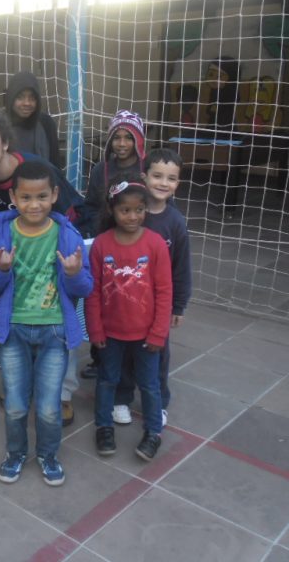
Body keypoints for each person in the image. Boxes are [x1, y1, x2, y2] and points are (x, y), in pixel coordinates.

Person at [0, 104, 91, 425]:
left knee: (61, 326)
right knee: (16, 328)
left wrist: (71, 267)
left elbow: (71, 215)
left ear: (5, 142)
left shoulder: (36, 171)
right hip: (13, 271)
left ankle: (62, 393)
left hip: (57, 267)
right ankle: (19, 385)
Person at [0, 161, 93, 486]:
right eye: (25, 197)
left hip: (55, 331)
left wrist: (73, 274)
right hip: (13, 332)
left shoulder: (67, 234)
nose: (34, 204)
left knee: (49, 407)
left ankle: (48, 455)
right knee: (15, 405)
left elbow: (85, 287)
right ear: (13, 197)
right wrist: (0, 269)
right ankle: (15, 453)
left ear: (54, 195)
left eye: (42, 196)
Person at [85, 176, 172, 462]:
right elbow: (93, 291)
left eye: (139, 209)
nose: (133, 216)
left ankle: (153, 432)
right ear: (112, 210)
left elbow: (164, 291)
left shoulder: (156, 244)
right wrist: (95, 329)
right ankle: (104, 427)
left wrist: (159, 333)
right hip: (110, 334)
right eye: (125, 210)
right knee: (107, 380)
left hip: (147, 336)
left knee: (149, 385)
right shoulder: (101, 245)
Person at [112, 148, 191, 427]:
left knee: (158, 353)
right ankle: (121, 397)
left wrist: (178, 305)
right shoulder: (131, 212)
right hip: (126, 298)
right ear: (144, 176)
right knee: (123, 352)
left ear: (178, 183)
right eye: (157, 176)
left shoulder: (175, 222)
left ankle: (158, 402)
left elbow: (181, 267)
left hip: (158, 304)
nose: (163, 183)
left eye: (171, 178)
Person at [81, 109, 147, 380]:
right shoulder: (101, 170)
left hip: (137, 245)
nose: (122, 143)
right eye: (117, 137)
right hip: (106, 243)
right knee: (105, 299)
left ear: (138, 140)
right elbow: (90, 206)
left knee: (133, 300)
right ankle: (100, 358)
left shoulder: (146, 169)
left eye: (128, 137)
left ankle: (135, 360)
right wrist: (92, 234)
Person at [4, 71, 63, 170]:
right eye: (20, 97)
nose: (27, 103)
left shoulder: (46, 123)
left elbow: (55, 164)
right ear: (11, 97)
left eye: (32, 98)